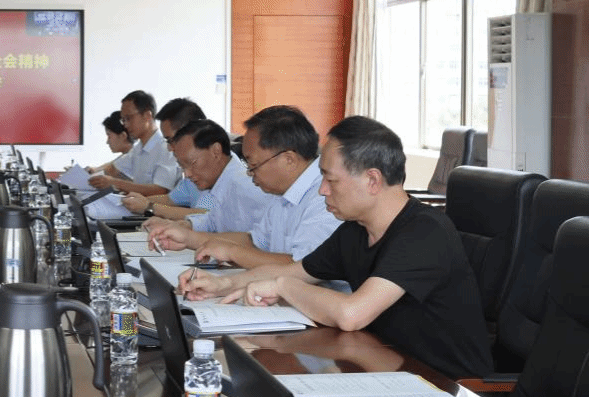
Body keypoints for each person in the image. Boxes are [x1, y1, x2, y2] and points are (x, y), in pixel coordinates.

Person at [180, 116, 492, 380]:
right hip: (383, 366)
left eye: (331, 179)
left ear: (372, 180)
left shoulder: (424, 233)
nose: (322, 189)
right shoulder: (356, 230)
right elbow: (295, 270)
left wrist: (281, 286)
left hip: (445, 388)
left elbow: (351, 314)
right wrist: (222, 284)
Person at [145, 106, 340, 270]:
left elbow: (303, 268)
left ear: (288, 159)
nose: (249, 173)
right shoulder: (282, 193)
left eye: (253, 165)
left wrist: (231, 253)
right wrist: (189, 238)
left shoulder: (325, 198)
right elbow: (255, 241)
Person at [145, 118, 274, 237]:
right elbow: (214, 220)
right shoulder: (222, 183)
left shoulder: (248, 189)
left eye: (192, 163)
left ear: (216, 151)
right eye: (182, 166)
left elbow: (254, 241)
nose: (187, 174)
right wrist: (184, 225)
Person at [122, 97, 213, 220]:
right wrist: (137, 201)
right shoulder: (192, 170)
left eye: (171, 140)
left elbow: (205, 215)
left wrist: (149, 207)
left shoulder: (215, 166)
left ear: (192, 133)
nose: (170, 148)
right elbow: (170, 199)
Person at [87, 90, 178, 196]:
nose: (125, 124)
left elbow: (160, 190)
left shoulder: (166, 148)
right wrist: (90, 173)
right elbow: (113, 168)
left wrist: (114, 182)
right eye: (123, 120)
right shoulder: (138, 148)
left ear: (147, 116)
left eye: (128, 118)